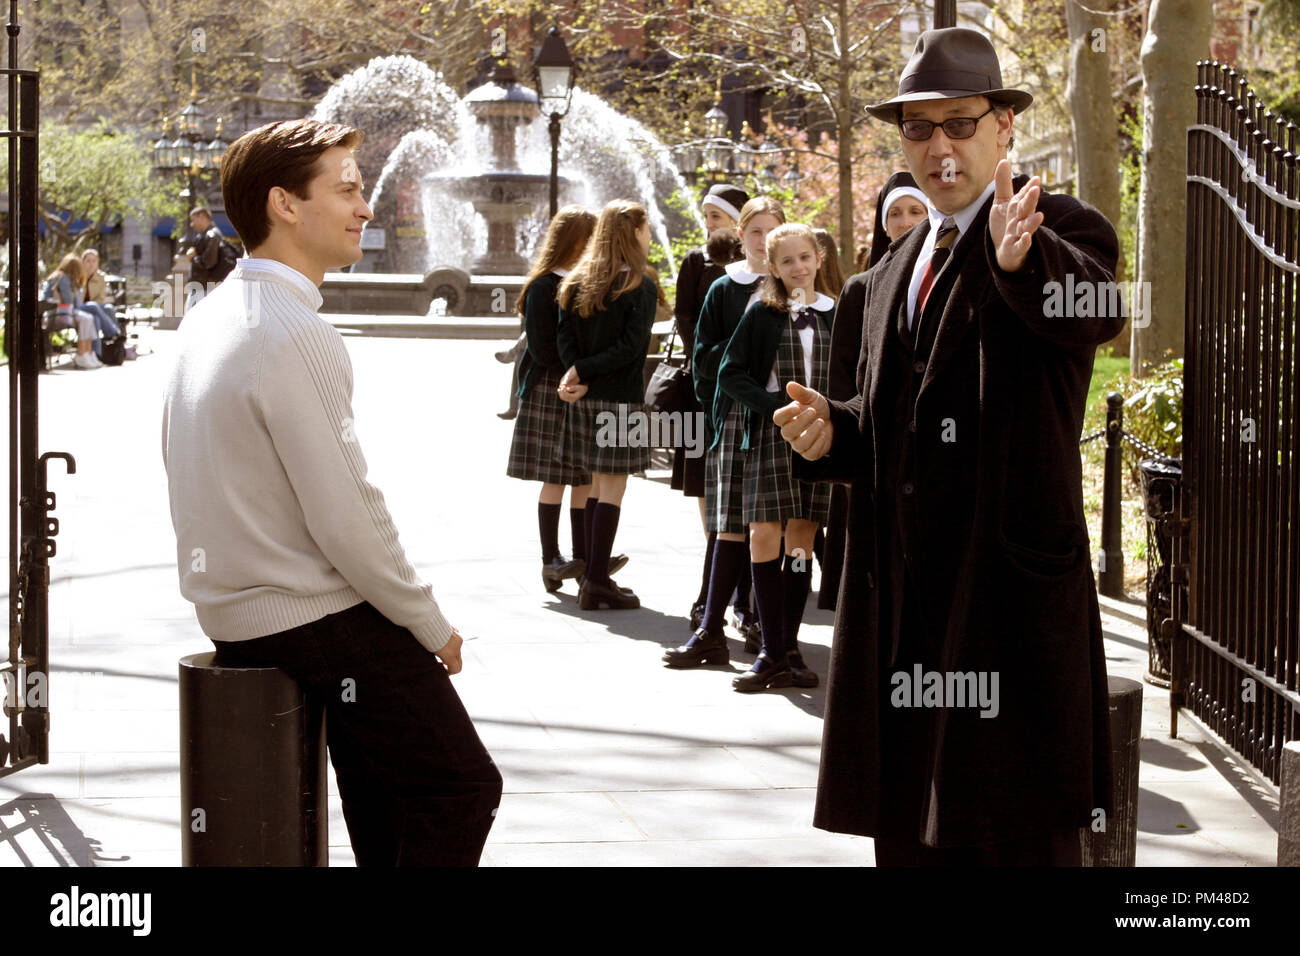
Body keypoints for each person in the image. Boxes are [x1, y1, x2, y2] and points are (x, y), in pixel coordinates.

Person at [776, 27, 1120, 866]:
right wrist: (833, 433)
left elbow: (1096, 311)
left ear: (1004, 125)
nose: (939, 146)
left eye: (960, 122)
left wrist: (1020, 255)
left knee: (1013, 834)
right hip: (897, 605)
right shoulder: (884, 272)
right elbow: (886, 421)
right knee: (906, 828)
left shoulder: (1056, 228)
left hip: (1001, 605)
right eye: (919, 128)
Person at [160, 118, 502, 866]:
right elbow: (348, 511)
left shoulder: (212, 315)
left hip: (241, 610)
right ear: (284, 204)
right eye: (346, 189)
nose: (365, 206)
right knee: (457, 786)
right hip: (309, 616)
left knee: (386, 791)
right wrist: (425, 620)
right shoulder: (291, 330)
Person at [664, 196, 785, 668]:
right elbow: (705, 354)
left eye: (772, 231)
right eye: (755, 231)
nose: (763, 241)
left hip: (779, 420)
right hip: (734, 415)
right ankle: (710, 625)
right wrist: (738, 373)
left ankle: (762, 622)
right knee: (726, 523)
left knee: (770, 525)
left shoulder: (792, 281)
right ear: (742, 235)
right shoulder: (725, 287)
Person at [719, 223, 834, 691]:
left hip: (821, 437)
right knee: (765, 532)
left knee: (802, 539)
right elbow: (730, 373)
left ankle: (790, 644)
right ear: (773, 266)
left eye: (804, 257)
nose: (797, 267)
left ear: (818, 258)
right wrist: (773, 407)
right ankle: (767, 647)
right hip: (772, 435)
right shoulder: (762, 314)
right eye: (786, 261)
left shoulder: (835, 313)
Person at [818, 171, 931, 612]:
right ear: (884, 225)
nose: (905, 222)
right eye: (896, 214)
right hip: (877, 454)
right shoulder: (861, 288)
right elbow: (844, 379)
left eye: (915, 211)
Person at [554, 199, 661, 610]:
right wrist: (584, 373)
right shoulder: (639, 284)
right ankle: (597, 580)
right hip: (619, 400)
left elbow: (565, 338)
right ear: (633, 233)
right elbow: (632, 348)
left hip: (584, 398)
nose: (649, 236)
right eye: (646, 228)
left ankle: (591, 577)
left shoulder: (577, 280)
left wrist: (576, 373)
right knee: (611, 490)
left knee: (596, 486)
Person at [672, 183, 756, 635]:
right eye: (706, 216)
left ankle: (745, 599)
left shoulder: (770, 266)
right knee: (715, 499)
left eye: (717, 217)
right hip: (707, 391)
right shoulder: (696, 262)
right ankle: (713, 599)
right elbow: (686, 317)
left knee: (750, 506)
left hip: (756, 398)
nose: (710, 225)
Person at [506, 205, 598, 594]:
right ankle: (550, 559)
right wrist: (576, 372)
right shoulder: (544, 285)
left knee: (585, 477)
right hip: (551, 387)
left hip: (579, 385)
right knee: (555, 478)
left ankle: (584, 556)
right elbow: (543, 349)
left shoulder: (587, 281)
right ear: (572, 240)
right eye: (589, 240)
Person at [43, 254, 100, 369]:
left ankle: (88, 353)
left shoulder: (65, 278)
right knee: (86, 318)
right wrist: (76, 291)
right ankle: (82, 353)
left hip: (60, 313)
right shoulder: (63, 278)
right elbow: (69, 301)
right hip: (58, 314)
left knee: (89, 317)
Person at [80, 248, 123, 361]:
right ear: (83, 262)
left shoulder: (101, 277)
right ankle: (114, 333)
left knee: (108, 308)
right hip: (82, 307)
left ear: (97, 262)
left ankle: (113, 349)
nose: (91, 264)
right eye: (88, 261)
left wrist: (93, 305)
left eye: (94, 261)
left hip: (95, 307)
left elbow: (101, 298)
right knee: (94, 308)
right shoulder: (79, 276)